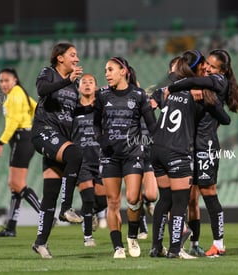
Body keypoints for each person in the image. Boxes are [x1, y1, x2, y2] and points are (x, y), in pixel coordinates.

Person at [167, 49, 238, 257]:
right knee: (190, 197)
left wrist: (171, 88)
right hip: (191, 146)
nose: (208, 68)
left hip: (205, 147)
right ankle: (192, 243)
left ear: (223, 71)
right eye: (207, 64)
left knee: (209, 193)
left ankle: (219, 243)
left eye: (213, 66)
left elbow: (220, 116)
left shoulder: (216, 83)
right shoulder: (206, 84)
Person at [93, 56, 156, 258]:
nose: (106, 74)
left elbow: (152, 126)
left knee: (133, 198)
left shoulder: (138, 95)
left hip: (133, 154)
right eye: (105, 70)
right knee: (113, 202)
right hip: (110, 156)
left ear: (123, 71)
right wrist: (102, 141)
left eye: (110, 69)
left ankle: (132, 236)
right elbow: (96, 123)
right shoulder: (102, 95)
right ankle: (118, 247)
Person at [149, 50, 208, 259]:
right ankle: (175, 249)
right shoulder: (195, 91)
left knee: (164, 200)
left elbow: (148, 107)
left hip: (157, 149)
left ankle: (156, 247)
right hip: (177, 150)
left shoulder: (164, 91)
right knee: (180, 202)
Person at [31, 42, 84, 258]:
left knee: (50, 193)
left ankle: (40, 243)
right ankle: (66, 208)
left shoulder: (74, 84)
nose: (77, 59)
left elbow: (75, 110)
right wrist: (65, 81)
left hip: (59, 139)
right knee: (75, 154)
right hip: (43, 131)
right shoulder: (49, 73)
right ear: (60, 58)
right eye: (73, 55)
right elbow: (42, 90)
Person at [0, 68, 41, 237]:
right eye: (1, 81)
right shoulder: (21, 93)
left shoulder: (14, 95)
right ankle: (11, 227)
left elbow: (13, 123)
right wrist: (31, 125)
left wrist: (0, 143)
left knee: (17, 184)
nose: (4, 84)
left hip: (20, 138)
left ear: (15, 80)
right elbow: (36, 107)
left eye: (6, 80)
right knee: (15, 187)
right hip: (25, 138)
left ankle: (45, 215)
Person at [72, 73, 107, 246]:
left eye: (90, 82)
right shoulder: (73, 109)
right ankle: (88, 237)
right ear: (78, 87)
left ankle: (91, 213)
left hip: (100, 158)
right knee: (87, 198)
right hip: (82, 159)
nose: (87, 84)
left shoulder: (101, 107)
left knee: (102, 201)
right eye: (83, 82)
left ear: (95, 86)